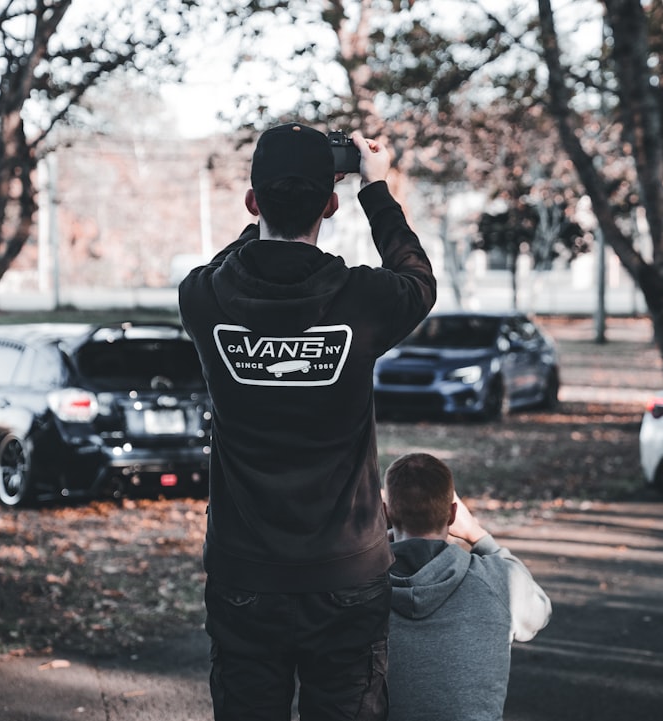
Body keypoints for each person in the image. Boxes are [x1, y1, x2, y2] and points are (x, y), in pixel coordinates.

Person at [178, 123, 436, 720]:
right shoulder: (364, 300)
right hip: (347, 575)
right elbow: (418, 278)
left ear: (252, 202)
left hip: (245, 577)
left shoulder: (203, 299)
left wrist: (273, 212)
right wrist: (375, 188)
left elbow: (228, 261)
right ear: (331, 204)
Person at [383, 453, 553, 721]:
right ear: (453, 514)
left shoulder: (356, 587)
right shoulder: (498, 580)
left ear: (385, 513)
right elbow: (541, 612)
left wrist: (375, 542)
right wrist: (477, 534)